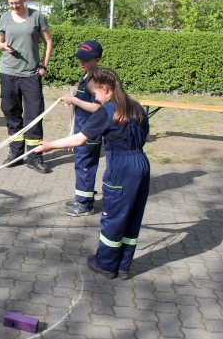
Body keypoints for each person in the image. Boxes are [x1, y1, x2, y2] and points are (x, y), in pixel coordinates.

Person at [34, 68, 150, 280]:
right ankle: (123, 266)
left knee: (113, 218)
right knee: (133, 217)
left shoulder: (106, 112)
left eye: (95, 93)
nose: (95, 98)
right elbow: (146, 136)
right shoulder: (137, 107)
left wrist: (50, 146)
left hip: (122, 168)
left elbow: (79, 139)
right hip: (142, 165)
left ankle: (105, 264)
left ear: (105, 89)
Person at [0, 0, 53, 173]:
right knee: (11, 111)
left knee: (34, 115)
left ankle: (34, 157)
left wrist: (43, 65)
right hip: (8, 72)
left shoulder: (37, 16)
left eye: (17, 3)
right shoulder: (4, 18)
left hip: (30, 74)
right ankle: (16, 153)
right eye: (10, 3)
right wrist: (3, 47)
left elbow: (49, 42)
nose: (13, 6)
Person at [62, 41, 104, 217]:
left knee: (85, 165)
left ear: (97, 59)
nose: (81, 62)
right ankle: (82, 197)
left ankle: (86, 204)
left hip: (89, 131)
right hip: (81, 127)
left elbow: (97, 107)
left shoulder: (97, 80)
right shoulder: (86, 76)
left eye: (85, 60)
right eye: (80, 58)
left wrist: (75, 101)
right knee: (80, 164)